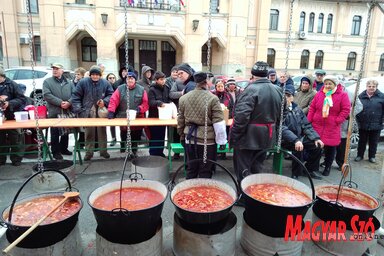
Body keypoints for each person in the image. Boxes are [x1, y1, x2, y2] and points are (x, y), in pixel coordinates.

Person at [229, 61, 282, 182]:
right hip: (267, 137)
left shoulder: (250, 90)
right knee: (257, 170)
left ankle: (243, 199)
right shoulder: (278, 90)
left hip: (248, 139)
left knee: (243, 173)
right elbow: (282, 115)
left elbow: (241, 117)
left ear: (252, 75)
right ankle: (255, 198)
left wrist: (234, 137)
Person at [178, 71, 227, 179]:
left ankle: (189, 193)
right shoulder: (213, 98)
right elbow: (218, 123)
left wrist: (182, 136)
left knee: (191, 169)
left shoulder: (184, 98)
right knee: (205, 170)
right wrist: (222, 141)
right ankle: (203, 194)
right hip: (207, 141)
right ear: (206, 81)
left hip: (190, 139)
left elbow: (180, 121)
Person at [307, 75, 350, 176]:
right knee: (316, 147)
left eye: (330, 84)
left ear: (335, 84)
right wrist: (309, 120)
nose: (327, 85)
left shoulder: (342, 95)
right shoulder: (319, 94)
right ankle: (314, 167)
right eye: (326, 83)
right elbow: (312, 107)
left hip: (332, 126)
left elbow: (346, 109)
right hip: (317, 125)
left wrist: (337, 120)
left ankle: (327, 167)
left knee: (330, 148)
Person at [71, 65, 114, 161]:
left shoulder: (105, 83)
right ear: (90, 75)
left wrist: (105, 101)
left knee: (102, 132)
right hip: (87, 111)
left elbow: (111, 94)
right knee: (89, 133)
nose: (95, 76)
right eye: (93, 74)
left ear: (100, 75)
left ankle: (103, 151)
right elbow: (76, 96)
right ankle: (88, 153)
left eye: (97, 74)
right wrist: (79, 110)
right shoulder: (83, 82)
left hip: (100, 111)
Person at [281, 84, 323, 180]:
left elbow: (306, 125)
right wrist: (296, 140)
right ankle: (296, 173)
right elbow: (282, 128)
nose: (286, 98)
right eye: (284, 96)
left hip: (298, 138)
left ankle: (310, 169)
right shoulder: (280, 110)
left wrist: (316, 138)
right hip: (285, 140)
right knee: (299, 147)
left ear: (292, 97)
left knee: (317, 145)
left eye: (288, 95)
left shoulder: (297, 109)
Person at [108, 72, 149, 155]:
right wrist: (111, 111)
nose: (129, 80)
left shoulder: (141, 89)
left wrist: (139, 109)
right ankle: (124, 147)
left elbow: (145, 103)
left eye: (131, 78)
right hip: (123, 117)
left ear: (135, 80)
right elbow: (113, 100)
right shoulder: (120, 89)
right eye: (128, 78)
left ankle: (134, 150)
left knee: (136, 135)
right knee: (124, 134)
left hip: (137, 117)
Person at [43, 63, 74, 160]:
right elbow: (47, 95)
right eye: (53, 69)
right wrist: (60, 103)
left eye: (57, 69)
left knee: (66, 131)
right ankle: (55, 152)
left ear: (62, 70)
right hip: (54, 111)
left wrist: (69, 102)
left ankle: (64, 148)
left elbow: (75, 94)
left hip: (66, 110)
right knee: (55, 132)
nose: (55, 70)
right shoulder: (47, 82)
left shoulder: (69, 82)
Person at [0, 68, 26, 166]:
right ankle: (1, 159)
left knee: (16, 138)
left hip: (12, 115)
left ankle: (16, 159)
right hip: (0, 117)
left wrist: (9, 103)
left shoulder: (12, 84)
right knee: (0, 139)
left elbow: (21, 99)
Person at [355, 79, 384, 163]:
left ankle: (372, 156)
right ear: (366, 87)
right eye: (369, 86)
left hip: (376, 123)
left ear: (376, 87)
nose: (371, 88)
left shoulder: (382, 97)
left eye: (373, 86)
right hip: (363, 123)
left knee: (373, 142)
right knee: (362, 141)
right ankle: (360, 155)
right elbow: (357, 109)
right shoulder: (361, 96)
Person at [148, 71, 171, 157]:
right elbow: (151, 102)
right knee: (154, 136)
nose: (163, 81)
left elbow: (168, 99)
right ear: (156, 80)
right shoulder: (152, 89)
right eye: (161, 79)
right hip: (154, 116)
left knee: (162, 135)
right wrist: (159, 103)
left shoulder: (166, 88)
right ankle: (153, 153)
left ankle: (160, 152)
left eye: (164, 79)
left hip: (164, 116)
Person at [106, 73, 117, 146]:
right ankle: (113, 138)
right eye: (110, 78)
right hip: (109, 107)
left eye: (113, 78)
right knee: (112, 125)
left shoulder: (117, 86)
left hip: (118, 107)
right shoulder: (106, 86)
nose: (112, 79)